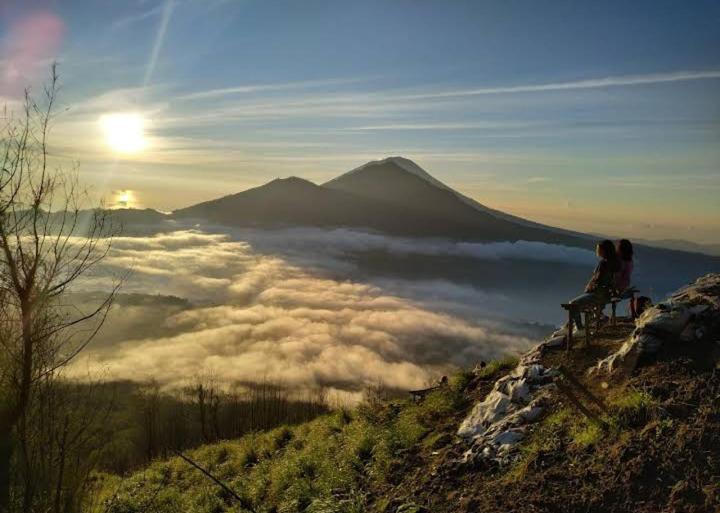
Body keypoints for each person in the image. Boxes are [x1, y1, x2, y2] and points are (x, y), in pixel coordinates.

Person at [567, 240, 620, 330]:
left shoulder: (604, 263)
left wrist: (590, 288)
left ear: (604, 250)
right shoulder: (613, 263)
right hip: (605, 293)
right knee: (580, 305)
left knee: (573, 304)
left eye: (599, 249)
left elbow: (599, 281)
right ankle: (592, 320)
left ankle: (580, 329)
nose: (597, 250)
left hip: (598, 294)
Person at [615, 239, 636, 317]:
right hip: (625, 285)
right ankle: (633, 314)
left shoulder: (619, 261)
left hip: (617, 287)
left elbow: (616, 277)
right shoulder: (630, 261)